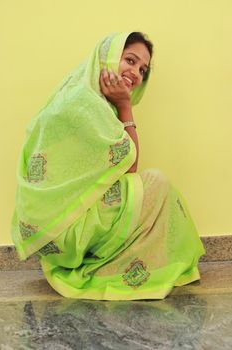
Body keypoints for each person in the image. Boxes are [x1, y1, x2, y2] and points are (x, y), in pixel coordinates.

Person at [11, 31, 205, 300]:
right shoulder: (82, 104)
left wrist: (121, 106)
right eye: (129, 60)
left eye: (142, 69)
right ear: (106, 59)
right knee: (155, 183)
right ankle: (119, 269)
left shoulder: (93, 102)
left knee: (144, 189)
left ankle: (128, 265)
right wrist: (125, 106)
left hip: (56, 231)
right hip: (65, 230)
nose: (136, 72)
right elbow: (131, 167)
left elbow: (125, 168)